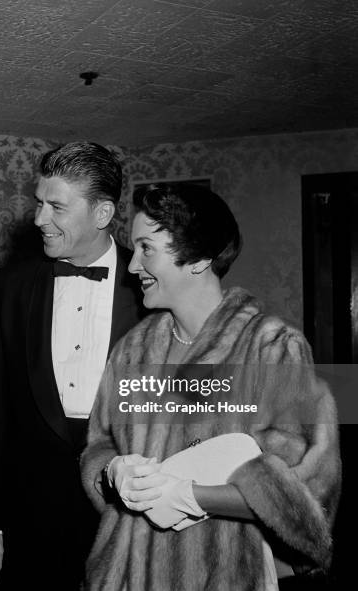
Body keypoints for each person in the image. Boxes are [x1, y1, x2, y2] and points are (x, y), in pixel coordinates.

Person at [80, 183, 341, 590]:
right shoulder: (131, 350)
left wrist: (192, 496)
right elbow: (99, 444)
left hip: (222, 574)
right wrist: (113, 471)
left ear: (199, 258)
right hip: (124, 573)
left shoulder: (271, 347)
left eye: (147, 249)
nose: (132, 267)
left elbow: (306, 488)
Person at [0, 142, 143, 589]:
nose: (38, 219)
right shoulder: (7, 286)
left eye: (57, 207)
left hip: (130, 516)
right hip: (29, 519)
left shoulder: (153, 289)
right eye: (39, 203)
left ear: (103, 213)